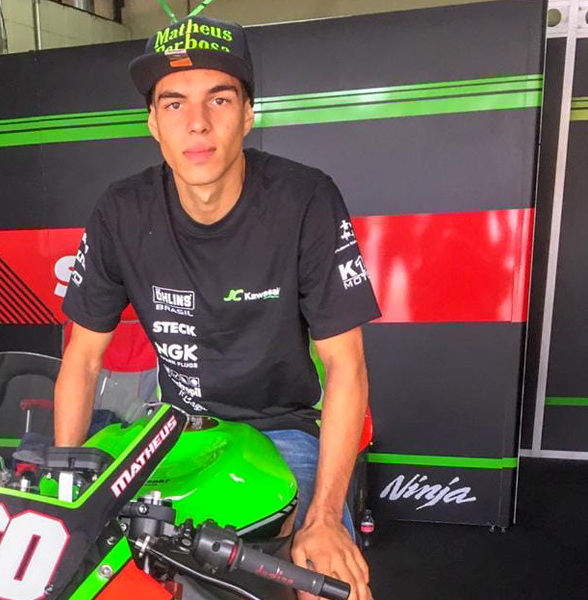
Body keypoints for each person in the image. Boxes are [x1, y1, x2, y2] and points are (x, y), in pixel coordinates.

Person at [54, 14, 380, 600]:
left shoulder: (305, 198)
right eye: (174, 103)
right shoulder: (121, 210)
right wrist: (62, 489)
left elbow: (346, 366)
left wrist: (325, 518)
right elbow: (81, 359)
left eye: (219, 99)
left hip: (283, 429)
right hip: (174, 431)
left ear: (248, 114)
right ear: (153, 122)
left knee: (327, 581)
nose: (197, 122)